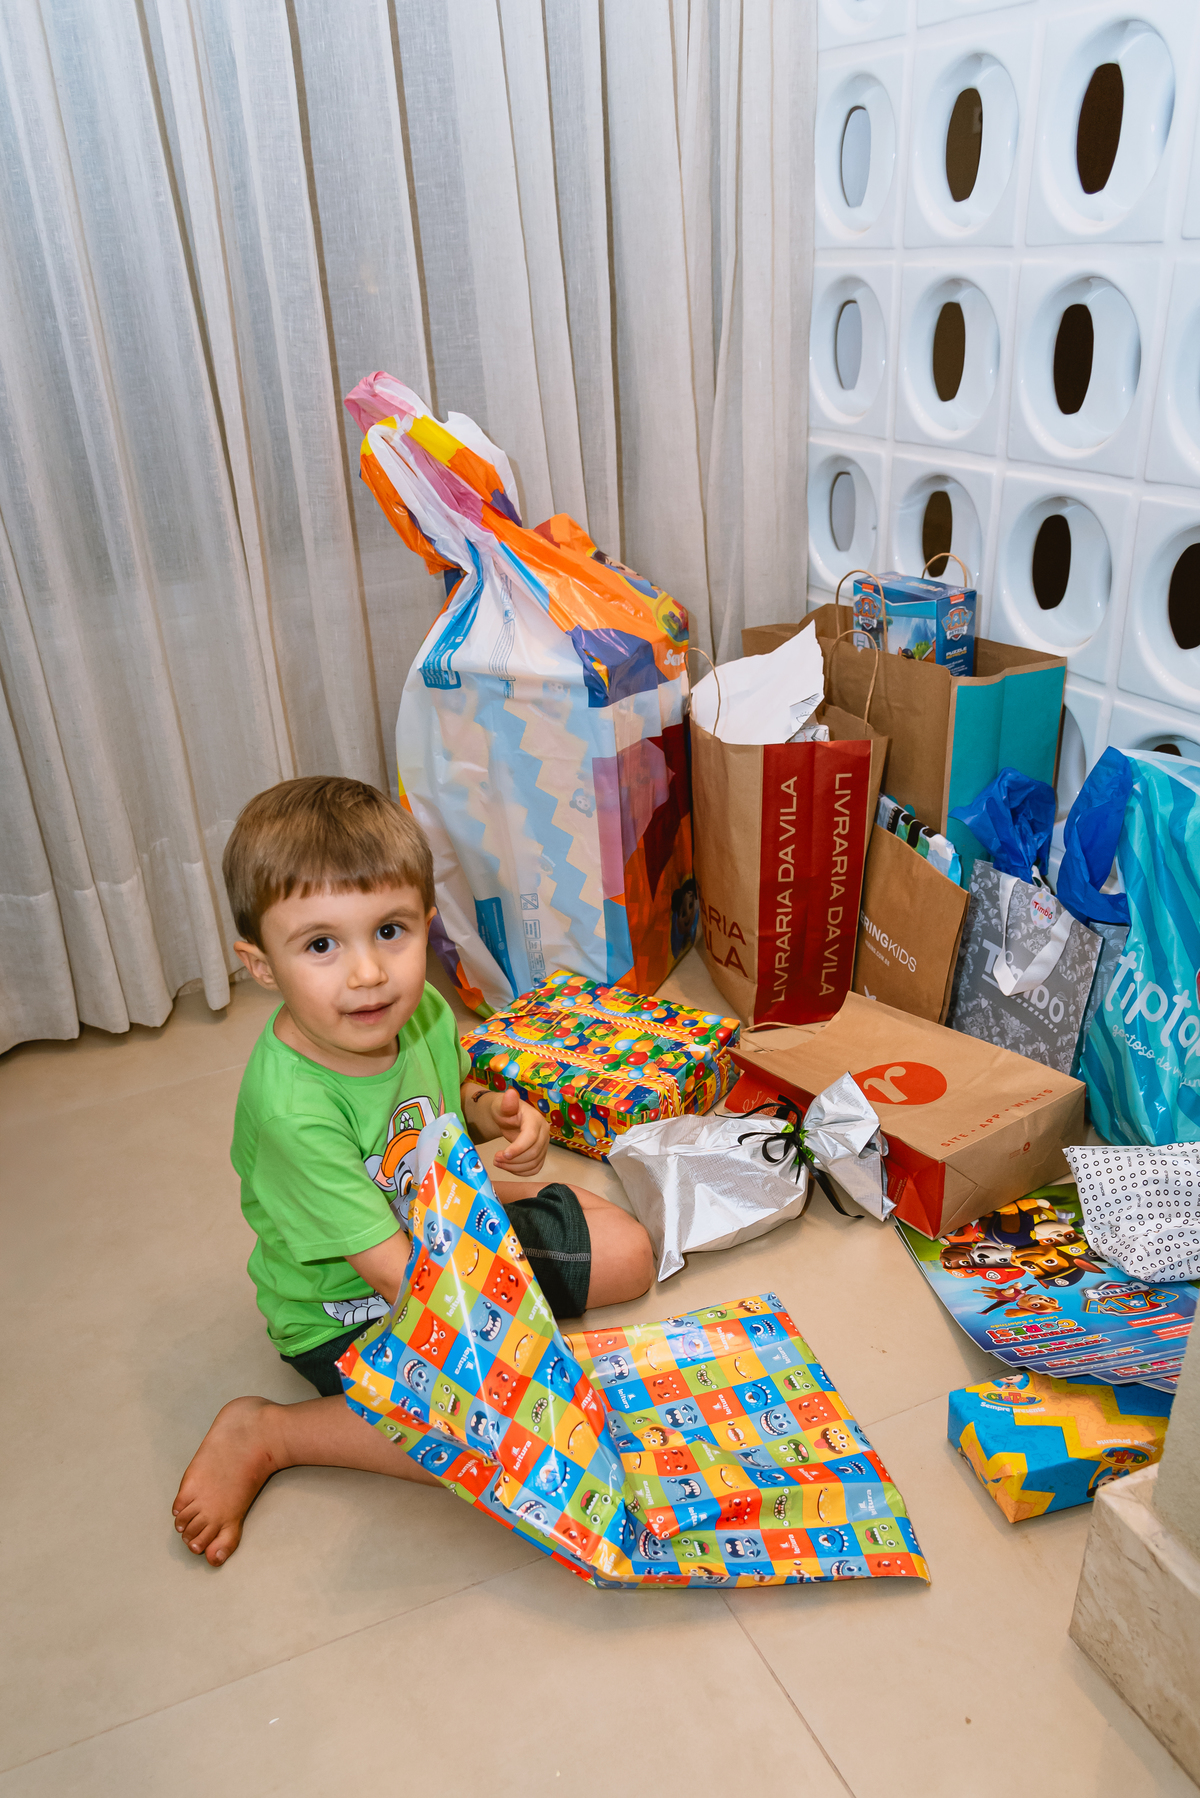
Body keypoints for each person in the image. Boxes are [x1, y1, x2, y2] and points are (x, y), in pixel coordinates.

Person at [172, 777, 654, 1566]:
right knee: (476, 1448)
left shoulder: (422, 1010)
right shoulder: (293, 1109)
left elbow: (447, 1102)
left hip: (446, 1241)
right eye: (322, 945)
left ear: (426, 928)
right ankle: (272, 1432)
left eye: (389, 931)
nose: (367, 974)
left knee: (629, 1252)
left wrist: (490, 1113)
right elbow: (408, 1284)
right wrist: (525, 1381)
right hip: (353, 1312)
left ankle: (508, 1236)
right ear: (262, 967)